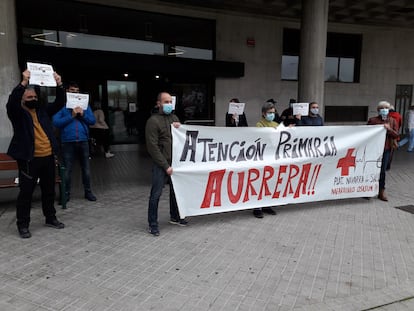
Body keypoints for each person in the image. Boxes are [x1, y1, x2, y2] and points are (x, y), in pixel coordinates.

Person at [6, 69, 65, 238]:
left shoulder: (42, 111)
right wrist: (23, 82)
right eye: (29, 97)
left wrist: (59, 84)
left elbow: (60, 102)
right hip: (29, 160)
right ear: (22, 99)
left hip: (47, 157)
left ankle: (50, 217)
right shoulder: (17, 114)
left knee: (49, 191)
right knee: (26, 193)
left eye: (34, 97)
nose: (33, 99)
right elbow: (11, 102)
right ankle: (23, 225)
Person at [145, 92, 187, 236]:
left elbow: (181, 139)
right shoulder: (153, 121)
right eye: (166, 102)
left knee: (176, 192)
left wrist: (179, 127)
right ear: (158, 104)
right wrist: (165, 166)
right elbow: (152, 147)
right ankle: (153, 224)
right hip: (161, 164)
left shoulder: (174, 118)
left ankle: (175, 216)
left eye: (170, 101)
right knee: (156, 194)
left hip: (174, 162)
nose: (169, 104)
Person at [53, 82, 97, 202]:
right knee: (67, 170)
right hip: (68, 142)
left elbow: (93, 121)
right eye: (72, 90)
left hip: (83, 141)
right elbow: (55, 122)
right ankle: (66, 194)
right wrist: (71, 116)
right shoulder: (63, 106)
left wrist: (82, 115)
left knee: (86, 169)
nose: (75, 92)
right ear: (67, 91)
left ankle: (88, 192)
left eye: (77, 91)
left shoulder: (85, 106)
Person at [367, 101, 399, 201]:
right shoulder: (373, 120)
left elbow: (396, 135)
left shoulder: (392, 121)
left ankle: (381, 191)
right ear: (378, 110)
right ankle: (368, 190)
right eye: (382, 108)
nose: (384, 110)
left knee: (382, 171)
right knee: (371, 169)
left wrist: (389, 129)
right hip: (374, 149)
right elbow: (366, 133)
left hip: (386, 149)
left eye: (386, 108)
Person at [253, 101, 279, 218]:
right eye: (269, 113)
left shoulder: (276, 124)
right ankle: (257, 208)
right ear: (264, 113)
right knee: (260, 182)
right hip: (263, 157)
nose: (272, 114)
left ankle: (267, 205)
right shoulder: (259, 125)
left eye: (273, 112)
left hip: (273, 157)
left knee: (270, 182)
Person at [387, 105, 402, 170]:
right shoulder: (398, 115)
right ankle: (388, 166)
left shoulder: (387, 116)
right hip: (394, 134)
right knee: (391, 150)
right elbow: (400, 124)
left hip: (387, 134)